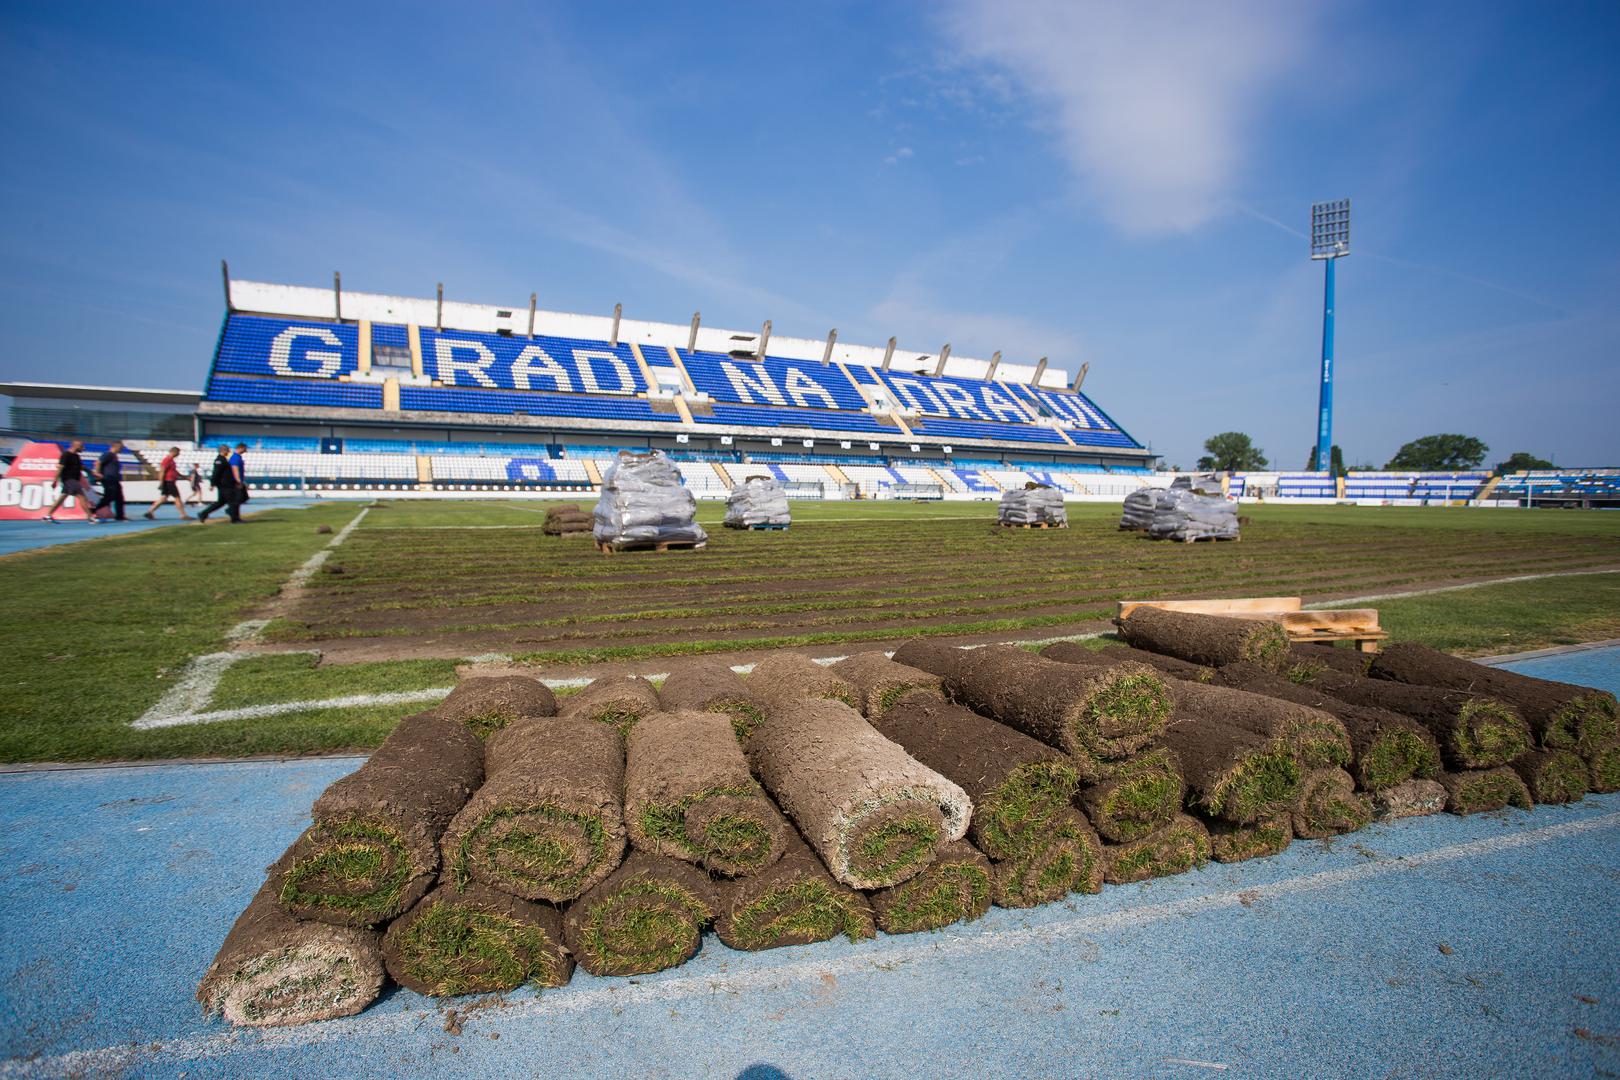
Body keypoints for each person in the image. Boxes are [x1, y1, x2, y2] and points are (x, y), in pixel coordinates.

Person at [43, 439, 94, 523]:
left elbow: (81, 467)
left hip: (73, 480)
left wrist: (92, 472)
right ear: (76, 446)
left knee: (62, 497)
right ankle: (90, 517)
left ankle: (47, 515)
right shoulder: (66, 455)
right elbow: (60, 468)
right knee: (82, 497)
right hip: (69, 480)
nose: (83, 448)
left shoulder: (76, 456)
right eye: (81, 446)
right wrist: (55, 481)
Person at [144, 446, 192, 520]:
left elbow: (174, 471)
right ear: (174, 452)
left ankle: (150, 511)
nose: (179, 455)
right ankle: (183, 514)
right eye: (178, 453)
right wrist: (161, 483)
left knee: (164, 498)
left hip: (169, 481)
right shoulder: (167, 460)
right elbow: (162, 471)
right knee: (177, 497)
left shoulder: (171, 461)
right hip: (169, 481)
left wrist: (185, 477)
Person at [198, 443, 241, 523]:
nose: (229, 451)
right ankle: (235, 519)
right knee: (233, 501)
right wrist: (212, 484)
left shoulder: (223, 459)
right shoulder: (220, 460)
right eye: (227, 450)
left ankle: (203, 513)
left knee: (221, 502)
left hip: (225, 484)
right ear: (223, 450)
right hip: (224, 485)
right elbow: (216, 473)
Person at [89, 439, 128, 522]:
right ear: (116, 447)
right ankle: (93, 510)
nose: (121, 449)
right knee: (109, 497)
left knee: (119, 498)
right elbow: (98, 463)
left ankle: (120, 516)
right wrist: (98, 474)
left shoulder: (114, 456)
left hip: (114, 480)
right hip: (108, 479)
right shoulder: (108, 454)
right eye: (121, 447)